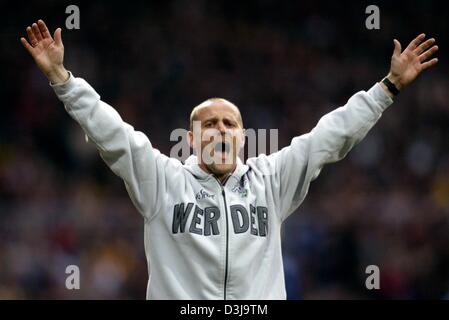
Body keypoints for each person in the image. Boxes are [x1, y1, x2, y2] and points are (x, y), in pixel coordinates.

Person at [21, 19, 438, 299]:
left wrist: (387, 88)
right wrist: (62, 79)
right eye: (210, 124)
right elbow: (111, 132)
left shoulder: (271, 180)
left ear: (242, 136)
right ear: (191, 138)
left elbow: (331, 136)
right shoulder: (162, 180)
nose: (220, 129)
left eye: (229, 123)